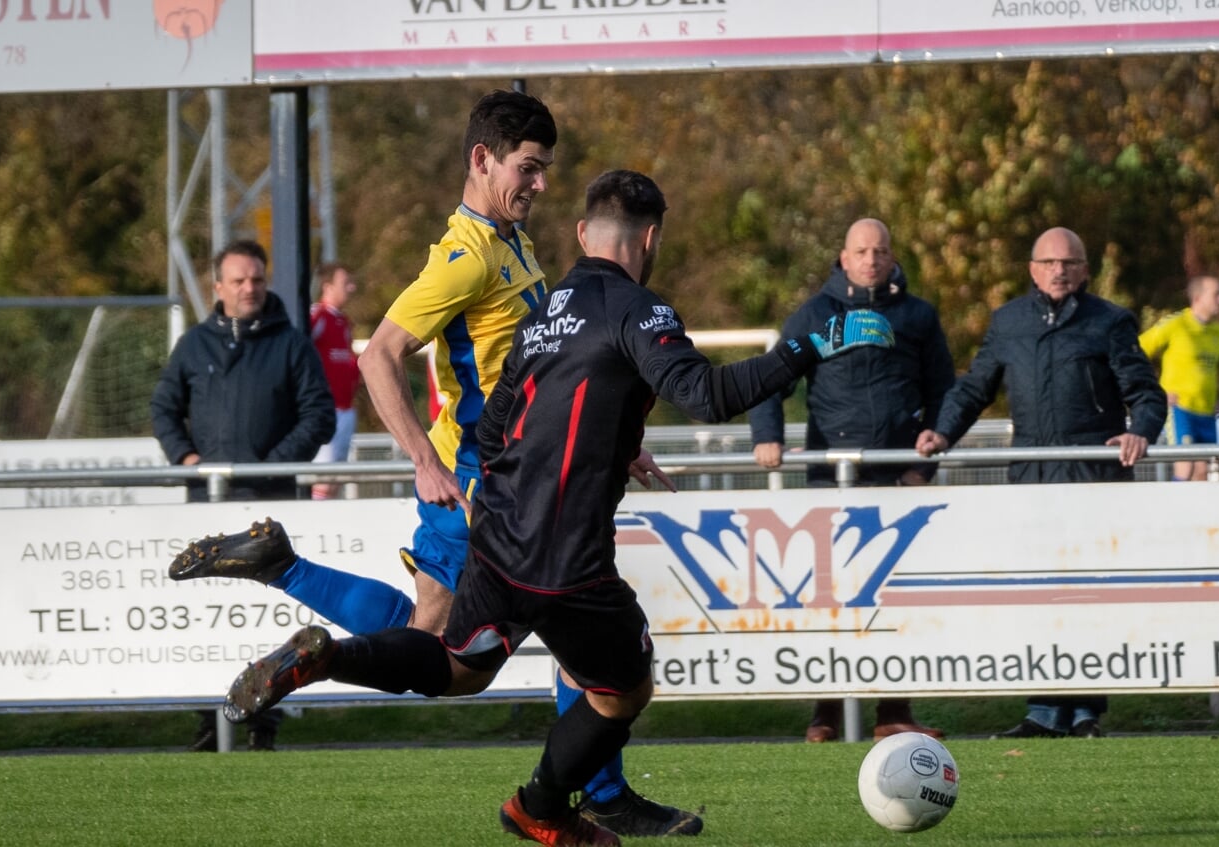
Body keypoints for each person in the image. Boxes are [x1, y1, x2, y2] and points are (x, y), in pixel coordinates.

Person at [215, 169, 893, 847]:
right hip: (570, 557)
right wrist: (805, 348)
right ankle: (539, 805)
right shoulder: (640, 308)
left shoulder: (544, 313)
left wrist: (597, 455)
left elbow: (498, 423)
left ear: (579, 234)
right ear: (650, 237)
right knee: (622, 689)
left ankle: (332, 657)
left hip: (499, 532)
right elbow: (707, 395)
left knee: (456, 665)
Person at [165, 91, 695, 837]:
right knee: (469, 653)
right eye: (528, 168)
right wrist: (423, 460)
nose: (540, 184)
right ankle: (593, 793)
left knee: (468, 643)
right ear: (481, 160)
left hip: (510, 476)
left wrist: (615, 441)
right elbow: (379, 354)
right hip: (484, 486)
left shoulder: (511, 240)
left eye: (544, 170)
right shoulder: (465, 255)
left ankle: (288, 574)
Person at [915, 227, 1166, 739]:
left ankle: (1086, 711)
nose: (1059, 270)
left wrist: (1140, 431)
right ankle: (1043, 711)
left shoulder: (1110, 322)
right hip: (1031, 482)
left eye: (1069, 262)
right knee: (1039, 595)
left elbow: (1146, 394)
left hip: (1093, 479)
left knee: (1090, 595)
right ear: (1032, 269)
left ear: (1085, 270)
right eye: (1049, 262)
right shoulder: (1008, 322)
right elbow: (974, 388)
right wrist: (942, 430)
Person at [749, 218, 953, 744]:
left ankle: (893, 711)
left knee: (895, 600)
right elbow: (771, 378)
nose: (870, 260)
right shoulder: (816, 315)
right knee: (833, 601)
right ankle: (826, 713)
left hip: (897, 484)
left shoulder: (917, 316)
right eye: (861, 251)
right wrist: (767, 436)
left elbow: (943, 392)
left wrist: (923, 464)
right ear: (843, 258)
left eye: (880, 251)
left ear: (892, 257)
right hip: (829, 483)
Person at [150, 238, 336, 751]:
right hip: (207, 505)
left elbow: (318, 414)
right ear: (218, 288)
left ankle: (264, 720)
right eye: (239, 280)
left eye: (256, 278)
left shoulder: (292, 344)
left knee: (267, 613)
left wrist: (272, 468)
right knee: (210, 615)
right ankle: (210, 720)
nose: (250, 288)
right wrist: (187, 460)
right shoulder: (193, 346)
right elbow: (164, 408)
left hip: (270, 507)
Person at [1138, 274, 1219, 481]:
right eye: (1216, 294)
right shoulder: (1176, 324)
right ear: (1198, 298)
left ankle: (1200, 514)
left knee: (1204, 472)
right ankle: (1177, 512)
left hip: (1206, 412)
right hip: (1179, 408)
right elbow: (1138, 350)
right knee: (1185, 466)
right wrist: (1155, 391)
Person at [309, 262, 361, 499]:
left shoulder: (344, 321)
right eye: (345, 283)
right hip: (327, 410)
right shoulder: (317, 316)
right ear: (327, 286)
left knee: (336, 477)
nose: (351, 287)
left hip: (345, 409)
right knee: (323, 479)